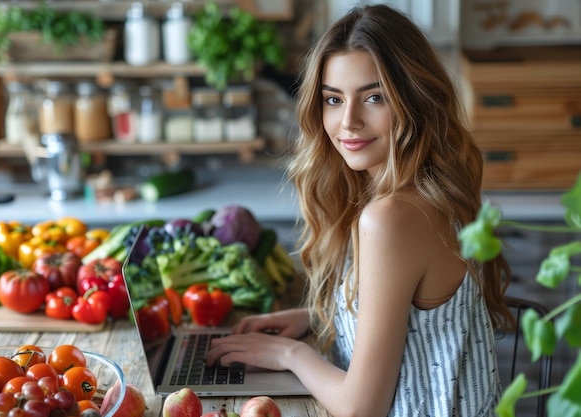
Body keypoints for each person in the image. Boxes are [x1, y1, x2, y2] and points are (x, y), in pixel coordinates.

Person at [206, 4, 514, 416]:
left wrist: (290, 355)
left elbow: (360, 408)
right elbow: (412, 321)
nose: (348, 121)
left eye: (373, 97)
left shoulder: (391, 217)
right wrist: (315, 318)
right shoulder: (425, 189)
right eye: (333, 99)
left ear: (415, 100)